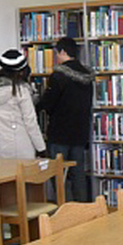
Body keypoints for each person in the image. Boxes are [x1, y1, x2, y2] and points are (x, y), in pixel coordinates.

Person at [37, 37, 94, 202]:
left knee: (59, 174)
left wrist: (38, 103)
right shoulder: (87, 76)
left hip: (60, 132)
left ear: (63, 52)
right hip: (80, 132)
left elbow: (48, 103)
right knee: (78, 174)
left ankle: (65, 208)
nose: (57, 57)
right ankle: (82, 208)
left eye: (57, 53)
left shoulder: (59, 75)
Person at [0, 49, 46, 159]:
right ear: (21, 71)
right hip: (21, 146)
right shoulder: (21, 90)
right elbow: (30, 122)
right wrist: (41, 148)